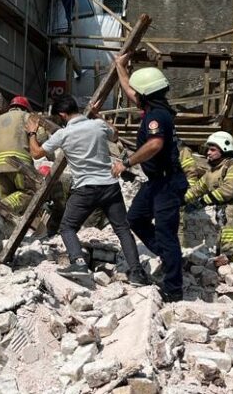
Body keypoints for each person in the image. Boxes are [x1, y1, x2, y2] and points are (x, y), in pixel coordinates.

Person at [26, 94, 149, 286]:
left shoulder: (63, 134)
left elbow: (36, 153)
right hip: (110, 185)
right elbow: (115, 134)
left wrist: (32, 133)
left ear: (62, 114)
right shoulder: (97, 125)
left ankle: (79, 263)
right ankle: (137, 273)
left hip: (85, 188)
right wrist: (98, 115)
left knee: (67, 227)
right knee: (123, 229)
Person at [110, 54, 189, 302]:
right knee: (135, 218)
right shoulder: (155, 107)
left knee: (166, 234)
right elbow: (130, 90)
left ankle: (174, 289)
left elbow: (155, 144)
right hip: (156, 181)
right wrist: (120, 66)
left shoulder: (156, 117)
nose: (134, 96)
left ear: (146, 93)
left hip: (167, 183)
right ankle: (169, 256)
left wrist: (126, 162)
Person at [184, 131, 233, 265]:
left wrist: (202, 202)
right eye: (208, 149)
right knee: (223, 239)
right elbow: (197, 189)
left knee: (228, 213)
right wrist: (180, 200)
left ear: (225, 149)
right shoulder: (212, 172)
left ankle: (228, 257)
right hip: (231, 210)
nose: (208, 152)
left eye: (213, 149)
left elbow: (228, 190)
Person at [0, 96, 46, 216]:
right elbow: (42, 138)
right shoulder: (28, 117)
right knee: (30, 193)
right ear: (26, 108)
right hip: (20, 164)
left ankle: (3, 231)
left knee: (7, 213)